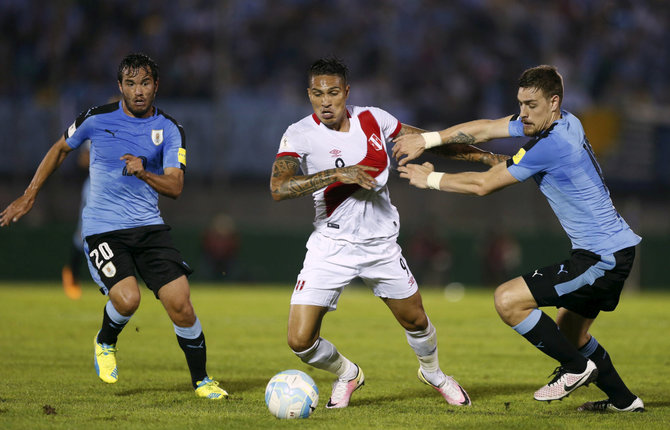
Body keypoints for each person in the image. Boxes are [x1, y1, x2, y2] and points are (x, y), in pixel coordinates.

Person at [394, 65, 644, 412]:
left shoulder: (551, 144)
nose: (523, 113)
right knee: (571, 333)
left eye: (531, 105)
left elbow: (484, 185)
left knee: (508, 301)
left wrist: (431, 179)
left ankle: (575, 368)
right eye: (520, 104)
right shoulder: (568, 121)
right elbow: (484, 128)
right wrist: (428, 139)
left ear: (553, 102)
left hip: (602, 257)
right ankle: (624, 401)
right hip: (611, 250)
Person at [270, 57, 505, 409]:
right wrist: (336, 175)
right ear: (309, 95)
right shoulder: (300, 132)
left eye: (333, 92)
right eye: (317, 94)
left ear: (346, 92)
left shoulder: (374, 120)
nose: (325, 101)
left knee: (416, 320)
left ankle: (434, 373)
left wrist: (484, 158)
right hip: (330, 245)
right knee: (300, 341)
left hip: (380, 245)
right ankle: (347, 374)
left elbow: (429, 142)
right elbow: (279, 187)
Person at [0, 53, 227, 400]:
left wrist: (144, 171)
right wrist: (30, 195)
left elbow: (176, 186)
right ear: (119, 86)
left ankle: (202, 381)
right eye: (131, 83)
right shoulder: (95, 118)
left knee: (181, 303)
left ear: (156, 86)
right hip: (103, 229)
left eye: (145, 83)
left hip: (149, 227)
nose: (139, 91)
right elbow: (60, 148)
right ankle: (105, 341)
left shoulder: (169, 129)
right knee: (128, 298)